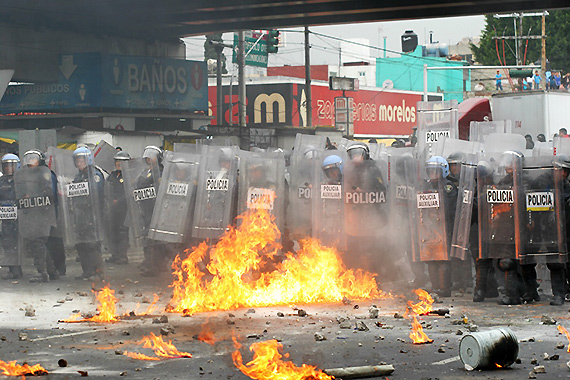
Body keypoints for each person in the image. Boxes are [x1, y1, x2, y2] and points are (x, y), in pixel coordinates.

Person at [15, 150, 58, 283]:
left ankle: (43, 273)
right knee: (38, 243)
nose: (30, 162)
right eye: (28, 159)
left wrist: (33, 196)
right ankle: (51, 271)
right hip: (30, 214)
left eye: (33, 159)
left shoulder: (45, 173)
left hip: (42, 213)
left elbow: (49, 193)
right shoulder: (22, 175)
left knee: (38, 242)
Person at [71, 147, 105, 280]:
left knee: (92, 244)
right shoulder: (78, 176)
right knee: (81, 243)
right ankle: (87, 271)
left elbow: (95, 191)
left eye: (81, 160)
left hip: (92, 214)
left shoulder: (95, 174)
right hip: (80, 215)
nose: (79, 163)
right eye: (77, 161)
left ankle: (98, 271)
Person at [105, 151, 131, 264]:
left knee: (122, 232)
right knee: (112, 231)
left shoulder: (129, 175)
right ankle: (115, 254)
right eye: (117, 161)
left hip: (124, 209)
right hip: (112, 209)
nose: (119, 163)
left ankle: (122, 256)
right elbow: (107, 187)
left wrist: (119, 200)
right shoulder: (113, 175)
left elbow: (130, 193)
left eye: (122, 161)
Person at [0, 154, 22, 279]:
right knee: (8, 242)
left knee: (21, 243)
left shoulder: (21, 180)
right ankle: (13, 269)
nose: (8, 168)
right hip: (6, 217)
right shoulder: (1, 181)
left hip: (20, 217)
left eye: (11, 165)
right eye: (6, 166)